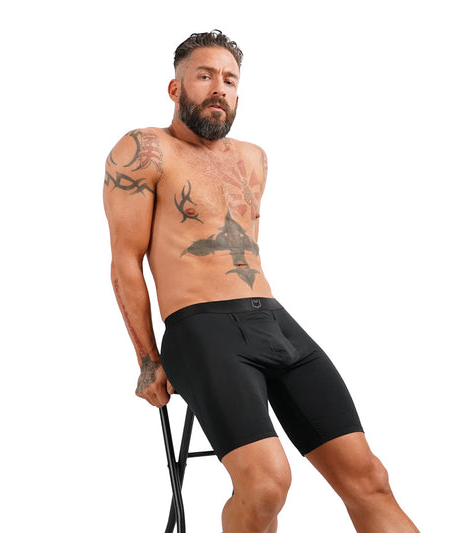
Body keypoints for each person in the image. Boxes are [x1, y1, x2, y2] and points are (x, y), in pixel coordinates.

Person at [103, 30, 419, 533]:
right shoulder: (145, 149)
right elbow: (125, 262)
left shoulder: (252, 158)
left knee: (370, 478)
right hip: (200, 328)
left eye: (230, 80)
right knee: (267, 484)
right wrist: (147, 360)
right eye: (205, 76)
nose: (219, 88)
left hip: (272, 320)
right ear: (175, 87)